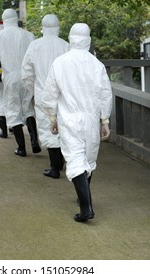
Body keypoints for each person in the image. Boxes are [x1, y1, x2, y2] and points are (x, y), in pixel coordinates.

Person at [41, 23, 112, 222]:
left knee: (75, 159)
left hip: (69, 118)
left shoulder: (60, 62)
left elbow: (50, 94)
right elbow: (105, 94)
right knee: (88, 159)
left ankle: (86, 207)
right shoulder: (96, 64)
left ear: (71, 38)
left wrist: (52, 117)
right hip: (91, 119)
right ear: (88, 39)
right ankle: (85, 199)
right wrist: (104, 120)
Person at [0, 8, 41, 157]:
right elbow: (36, 59)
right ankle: (34, 140)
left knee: (13, 110)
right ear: (16, 19)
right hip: (27, 76)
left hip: (10, 77)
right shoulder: (29, 35)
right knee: (28, 108)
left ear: (4, 21)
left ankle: (21, 148)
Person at [22, 14, 69, 179]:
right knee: (64, 127)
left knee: (48, 129)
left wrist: (33, 89)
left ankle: (54, 167)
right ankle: (63, 162)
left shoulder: (35, 46)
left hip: (43, 93)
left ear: (43, 27)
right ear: (58, 27)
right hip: (63, 95)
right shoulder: (66, 46)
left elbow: (26, 72)